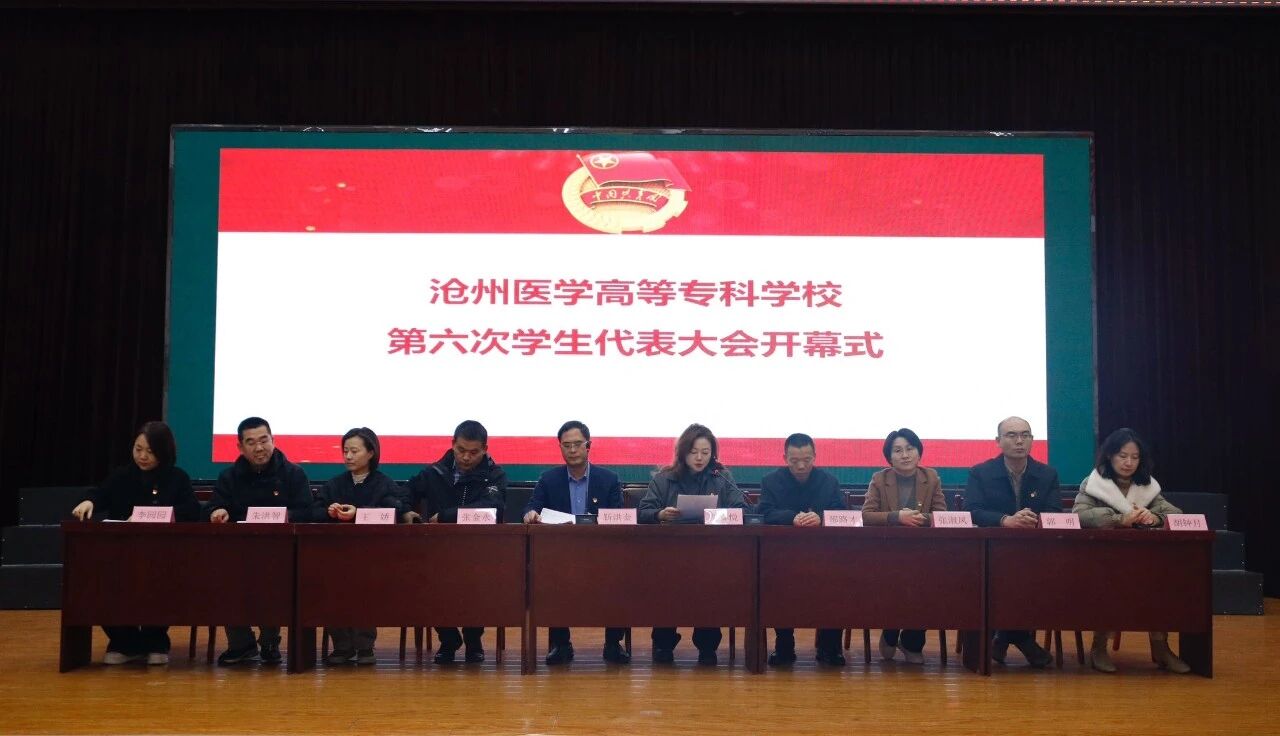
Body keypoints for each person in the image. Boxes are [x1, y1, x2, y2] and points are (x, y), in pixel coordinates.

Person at [70, 421, 200, 665]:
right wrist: (89, 501)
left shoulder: (177, 478)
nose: (142, 456)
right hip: (121, 552)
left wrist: (153, 514)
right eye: (138, 449)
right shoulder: (122, 475)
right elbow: (100, 493)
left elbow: (192, 511)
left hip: (163, 555)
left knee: (162, 584)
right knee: (99, 583)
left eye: (150, 451)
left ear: (164, 452)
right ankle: (125, 643)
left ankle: (155, 641)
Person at [1073, 428, 1190, 674]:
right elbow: (1080, 515)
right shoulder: (1094, 483)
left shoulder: (1147, 485)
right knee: (1108, 585)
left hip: (1141, 560)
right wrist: (1119, 519)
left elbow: (1175, 513)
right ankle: (1099, 647)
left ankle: (1161, 648)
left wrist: (1154, 517)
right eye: (1122, 456)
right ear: (1109, 456)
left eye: (1135, 457)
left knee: (1160, 584)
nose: (1128, 463)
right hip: (1102, 559)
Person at [207, 416, 315, 666]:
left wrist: (282, 517)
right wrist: (216, 512)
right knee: (226, 578)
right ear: (240, 447)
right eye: (251, 442)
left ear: (273, 440)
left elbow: (307, 512)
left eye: (264, 440)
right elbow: (213, 507)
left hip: (281, 552)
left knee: (275, 579)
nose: (259, 448)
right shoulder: (229, 476)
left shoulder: (293, 474)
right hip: (238, 552)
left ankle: (269, 642)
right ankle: (240, 644)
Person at [637, 423, 749, 666]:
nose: (699, 458)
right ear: (683, 452)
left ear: (713, 454)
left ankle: (708, 646)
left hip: (711, 555)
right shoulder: (664, 477)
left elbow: (742, 510)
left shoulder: (721, 477)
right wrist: (660, 514)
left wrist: (718, 514)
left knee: (710, 589)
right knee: (666, 588)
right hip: (670, 555)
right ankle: (664, 644)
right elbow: (643, 511)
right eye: (694, 452)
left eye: (705, 452)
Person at [522, 420, 630, 666]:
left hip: (601, 553)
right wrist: (530, 514)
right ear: (560, 447)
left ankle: (613, 643)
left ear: (588, 446)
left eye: (577, 444)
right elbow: (530, 507)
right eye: (566, 445)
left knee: (619, 573)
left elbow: (617, 517)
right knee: (550, 574)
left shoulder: (609, 479)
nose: (572, 450)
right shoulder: (549, 479)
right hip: (561, 554)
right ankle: (560, 644)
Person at [405, 419, 508, 665]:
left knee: (478, 583)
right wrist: (405, 510)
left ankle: (474, 640)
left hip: (478, 551)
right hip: (438, 551)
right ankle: (448, 639)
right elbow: (404, 492)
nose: (466, 457)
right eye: (461, 450)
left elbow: (491, 508)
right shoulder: (435, 472)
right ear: (452, 444)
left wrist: (446, 516)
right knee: (428, 580)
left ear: (484, 449)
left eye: (473, 452)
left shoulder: (494, 475)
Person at [964, 416, 1059, 669]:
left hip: (1034, 553)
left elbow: (1055, 513)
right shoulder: (981, 473)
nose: (1019, 441)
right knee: (1002, 579)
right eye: (1012, 435)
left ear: (1032, 440)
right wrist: (1006, 520)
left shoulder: (1047, 474)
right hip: (991, 553)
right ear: (998, 441)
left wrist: (1030, 520)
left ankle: (1004, 637)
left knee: (1031, 578)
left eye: (1025, 435)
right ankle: (1021, 639)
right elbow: (972, 511)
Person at [315, 427, 411, 666]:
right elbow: (313, 511)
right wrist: (328, 511)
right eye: (345, 451)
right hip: (336, 554)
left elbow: (396, 510)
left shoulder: (384, 483)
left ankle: (364, 645)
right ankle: (342, 646)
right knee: (331, 586)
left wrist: (359, 513)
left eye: (354, 451)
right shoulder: (335, 484)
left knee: (365, 586)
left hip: (372, 555)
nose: (348, 456)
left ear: (371, 453)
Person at [756, 433, 846, 667]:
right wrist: (791, 518)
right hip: (783, 556)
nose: (801, 466)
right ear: (784, 458)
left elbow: (842, 513)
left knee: (837, 584)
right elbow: (763, 513)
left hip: (825, 556)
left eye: (806, 459)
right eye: (794, 460)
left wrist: (821, 518)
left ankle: (830, 647)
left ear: (814, 456)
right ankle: (784, 646)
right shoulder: (770, 481)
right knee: (776, 585)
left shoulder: (829, 481)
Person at [862, 427, 949, 664]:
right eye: (898, 450)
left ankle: (912, 641)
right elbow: (866, 515)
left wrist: (922, 519)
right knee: (892, 581)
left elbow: (942, 515)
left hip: (925, 554)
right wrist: (897, 517)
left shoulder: (931, 477)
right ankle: (890, 630)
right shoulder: (879, 479)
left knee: (927, 583)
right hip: (887, 553)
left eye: (910, 449)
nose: (905, 455)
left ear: (919, 452)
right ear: (889, 457)